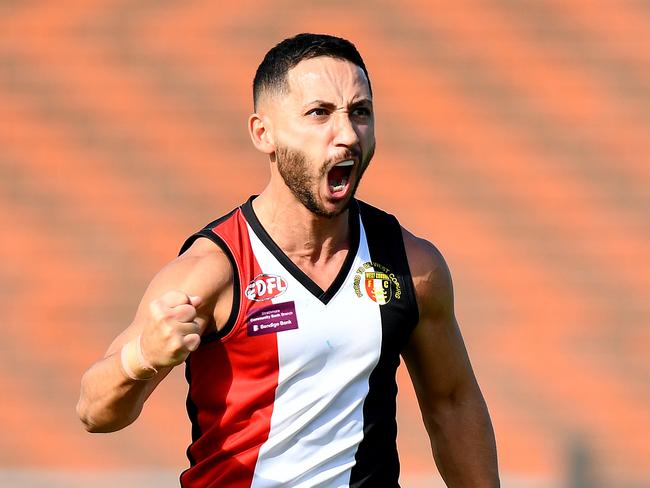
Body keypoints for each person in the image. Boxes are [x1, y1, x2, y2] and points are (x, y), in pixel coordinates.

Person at [77, 33, 499, 487]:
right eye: (319, 114)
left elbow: (452, 404)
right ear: (264, 134)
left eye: (360, 112)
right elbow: (94, 412)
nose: (347, 135)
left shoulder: (410, 266)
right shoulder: (213, 270)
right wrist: (142, 358)